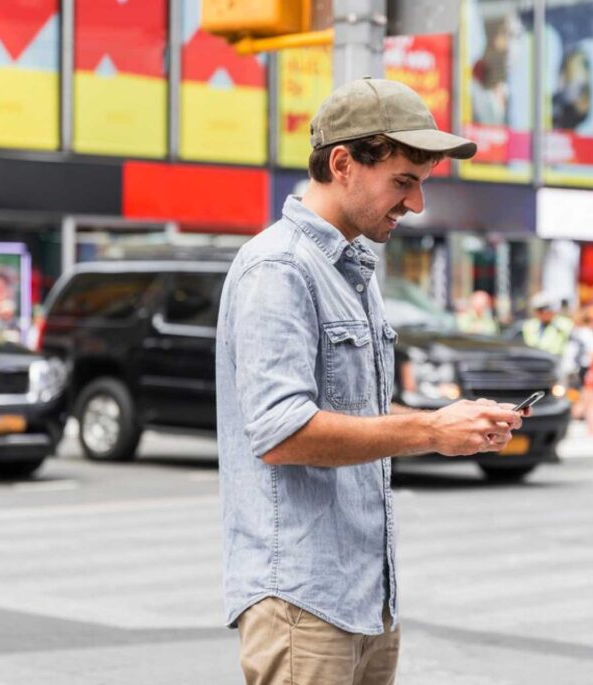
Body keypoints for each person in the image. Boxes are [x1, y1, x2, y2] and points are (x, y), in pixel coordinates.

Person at [215, 78, 528, 685]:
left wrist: (456, 422)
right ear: (343, 164)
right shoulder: (277, 268)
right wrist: (429, 429)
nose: (416, 205)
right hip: (303, 601)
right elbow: (282, 432)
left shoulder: (356, 268)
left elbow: (359, 410)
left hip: (366, 596)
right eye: (403, 181)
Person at [521, 292, 574, 357]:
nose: (544, 314)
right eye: (540, 311)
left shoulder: (564, 324)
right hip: (534, 360)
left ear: (553, 311)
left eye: (547, 310)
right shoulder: (529, 325)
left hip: (557, 361)